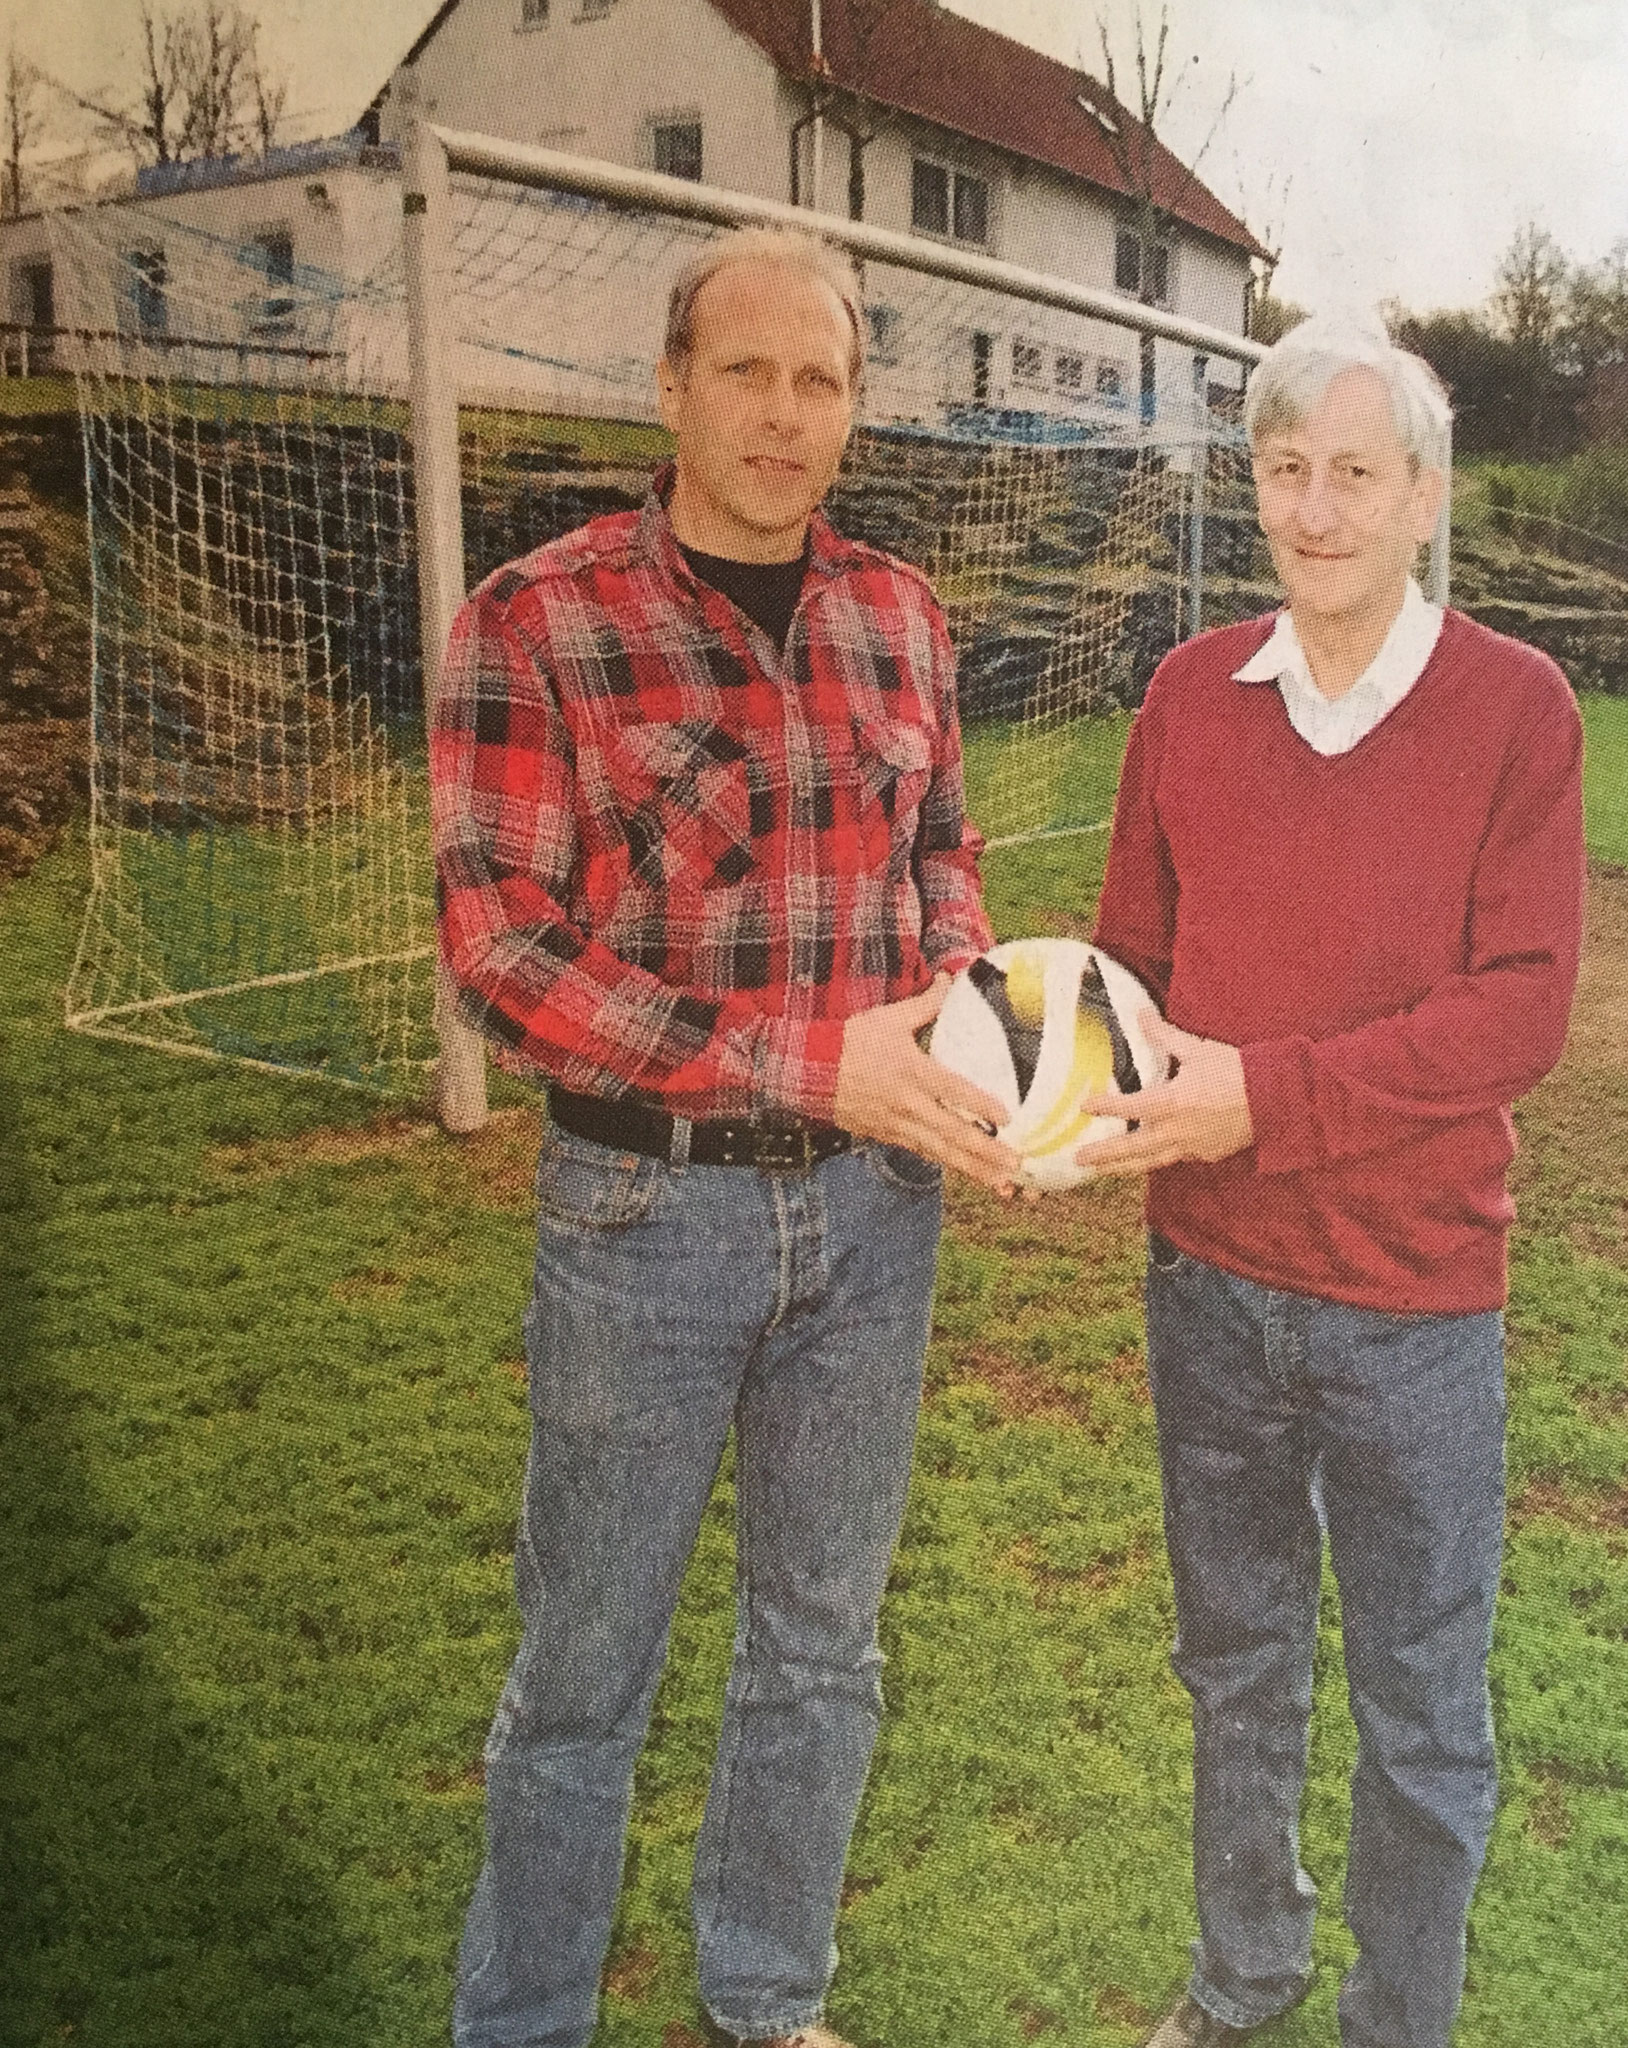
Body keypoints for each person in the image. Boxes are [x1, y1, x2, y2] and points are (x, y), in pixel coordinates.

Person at [430, 225, 1018, 2048]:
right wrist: (802, 1062)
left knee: (823, 1648)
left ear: (856, 406)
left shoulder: (904, 614)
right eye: (746, 371)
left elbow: (940, 853)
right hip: (640, 1216)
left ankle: (768, 1999)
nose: (783, 412)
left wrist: (971, 1001)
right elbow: (501, 952)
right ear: (670, 386)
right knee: (584, 1672)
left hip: (878, 1213)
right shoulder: (536, 618)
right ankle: (522, 2017)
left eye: (820, 379)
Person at [1075, 315, 1585, 2048]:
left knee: (1423, 1709)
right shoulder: (1184, 699)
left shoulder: (1518, 706)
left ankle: (1402, 2023)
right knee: (1236, 1671)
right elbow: (1133, 969)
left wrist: (1259, 1103)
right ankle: (1243, 1983)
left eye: (1354, 474)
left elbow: (1513, 1019)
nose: (1315, 510)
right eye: (1286, 470)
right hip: (1205, 1284)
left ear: (1424, 496)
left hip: (1415, 1303)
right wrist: (1058, 1089)